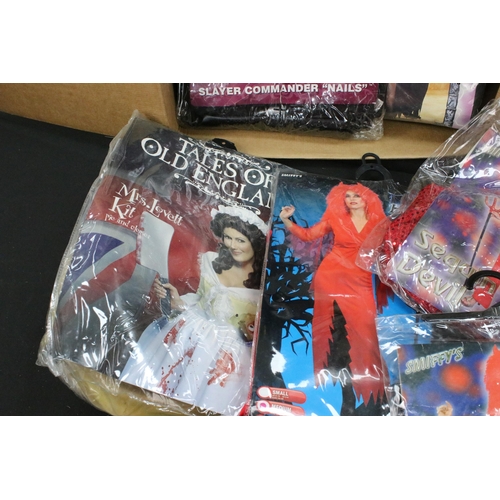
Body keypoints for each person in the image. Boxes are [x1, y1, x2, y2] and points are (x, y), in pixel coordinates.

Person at [120, 204, 268, 415]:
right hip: (189, 333)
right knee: (157, 391)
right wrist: (175, 301)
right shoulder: (211, 260)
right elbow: (200, 300)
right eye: (228, 237)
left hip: (228, 354)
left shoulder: (264, 282)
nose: (233, 245)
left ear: (255, 243)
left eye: (240, 240)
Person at [279, 182, 387, 410]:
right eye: (348, 196)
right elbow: (308, 235)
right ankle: (344, 395)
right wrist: (286, 220)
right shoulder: (336, 219)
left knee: (365, 334)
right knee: (334, 333)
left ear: (367, 198)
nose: (352, 199)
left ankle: (371, 394)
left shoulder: (381, 222)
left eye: (357, 195)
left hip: (361, 282)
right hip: (330, 278)